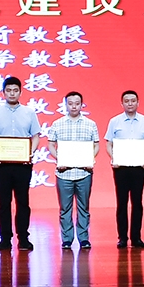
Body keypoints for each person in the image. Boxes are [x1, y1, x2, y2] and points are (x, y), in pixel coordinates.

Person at [0, 76, 40, 251]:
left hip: (23, 164)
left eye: (15, 90)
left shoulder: (29, 113)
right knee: (4, 202)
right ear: (3, 92)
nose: (12, 93)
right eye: (8, 90)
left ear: (20, 92)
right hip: (2, 164)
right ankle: (5, 238)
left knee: (23, 201)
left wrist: (30, 152)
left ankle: (23, 238)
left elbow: (36, 136)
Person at [105, 90, 144, 249]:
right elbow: (109, 143)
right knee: (121, 202)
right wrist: (114, 158)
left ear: (138, 102)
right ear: (122, 103)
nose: (130, 103)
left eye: (133, 101)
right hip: (121, 167)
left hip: (138, 167)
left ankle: (136, 237)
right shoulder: (115, 121)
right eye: (126, 101)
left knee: (137, 202)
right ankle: (122, 237)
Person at [48, 91, 99, 250]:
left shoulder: (90, 124)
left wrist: (90, 158)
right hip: (64, 173)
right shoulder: (57, 124)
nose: (74, 106)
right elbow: (51, 144)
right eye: (70, 103)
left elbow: (96, 145)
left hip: (84, 173)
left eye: (77, 103)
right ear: (66, 105)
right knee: (65, 208)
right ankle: (67, 239)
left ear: (82, 104)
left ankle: (83, 239)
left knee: (84, 207)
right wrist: (59, 159)